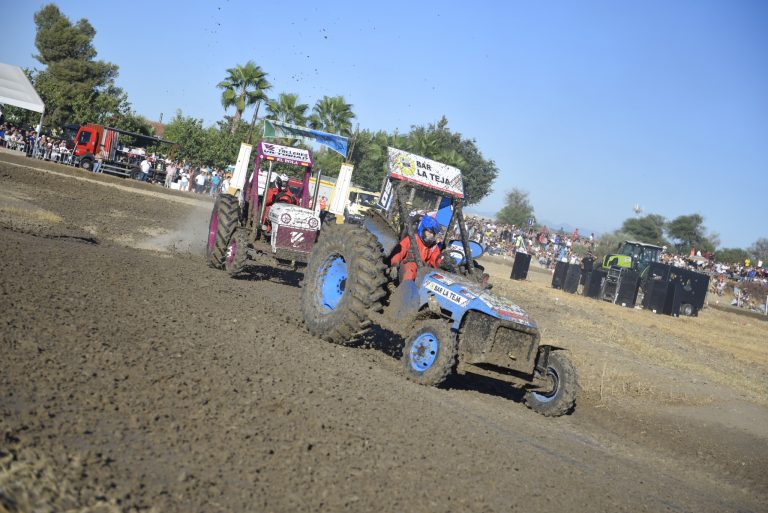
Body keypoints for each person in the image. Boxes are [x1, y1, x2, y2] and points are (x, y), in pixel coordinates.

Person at [388, 215, 453, 282]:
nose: (431, 236)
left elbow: (436, 259)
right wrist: (394, 265)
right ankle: (405, 290)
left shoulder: (433, 246)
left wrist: (443, 262)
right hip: (408, 265)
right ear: (422, 229)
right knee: (410, 273)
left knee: (435, 279)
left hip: (423, 269)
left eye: (433, 234)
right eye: (429, 232)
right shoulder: (412, 239)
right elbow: (399, 252)